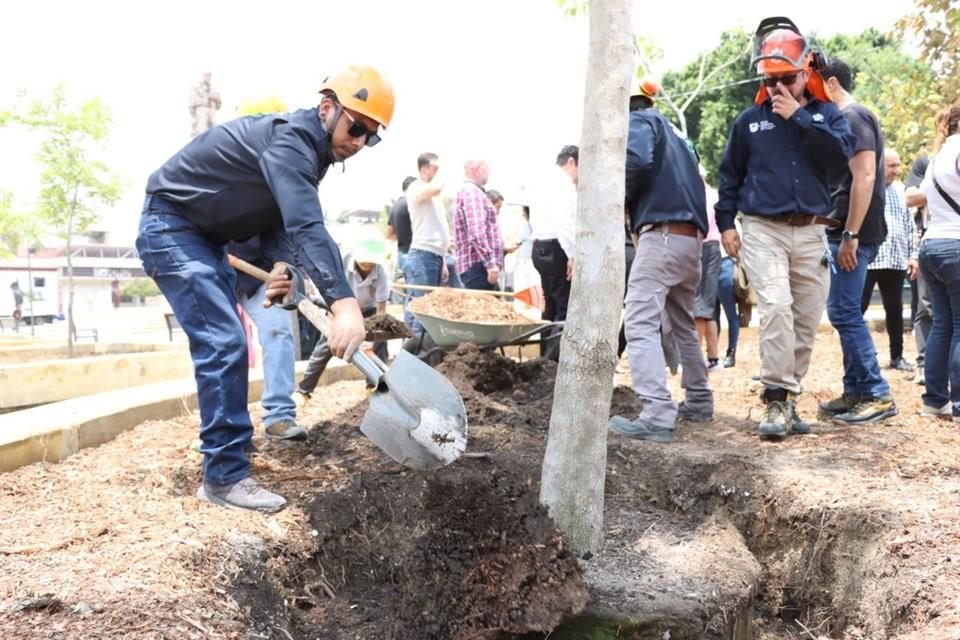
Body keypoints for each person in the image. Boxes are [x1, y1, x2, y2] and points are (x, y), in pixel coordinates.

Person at [136, 65, 395, 513]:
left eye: (370, 137)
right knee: (224, 342)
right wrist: (345, 303)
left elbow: (279, 222)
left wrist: (282, 266)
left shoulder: (309, 153)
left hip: (206, 239)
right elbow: (306, 225)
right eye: (356, 128)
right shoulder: (291, 142)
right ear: (328, 108)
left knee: (229, 342)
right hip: (172, 227)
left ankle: (229, 455)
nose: (359, 142)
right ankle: (223, 478)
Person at [716, 17, 855, 438]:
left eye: (787, 78)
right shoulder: (748, 122)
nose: (778, 87)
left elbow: (841, 158)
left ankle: (789, 400)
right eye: (771, 79)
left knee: (806, 320)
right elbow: (729, 175)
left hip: (812, 231)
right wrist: (726, 223)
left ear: (807, 71)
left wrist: (800, 118)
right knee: (776, 306)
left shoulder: (827, 115)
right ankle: (774, 400)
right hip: (763, 229)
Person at [608, 75, 713, 443]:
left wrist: (616, 200)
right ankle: (699, 400)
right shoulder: (677, 136)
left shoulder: (639, 122)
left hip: (663, 236)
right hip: (690, 241)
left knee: (639, 322)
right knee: (682, 324)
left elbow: (636, 160)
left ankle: (656, 414)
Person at [816, 58, 897, 425]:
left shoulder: (853, 116)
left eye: (814, 84)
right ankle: (856, 390)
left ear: (831, 83)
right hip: (843, 230)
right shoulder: (844, 119)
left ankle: (877, 394)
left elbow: (865, 177)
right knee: (844, 311)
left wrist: (850, 233)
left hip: (853, 233)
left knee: (844, 312)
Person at [295, 233, 391, 402]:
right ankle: (303, 390)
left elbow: (381, 312)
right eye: (364, 261)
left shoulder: (380, 273)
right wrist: (335, 320)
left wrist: (372, 341)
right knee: (326, 345)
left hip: (368, 312)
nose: (367, 265)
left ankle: (374, 385)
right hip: (340, 308)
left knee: (380, 341)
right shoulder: (343, 263)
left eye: (371, 262)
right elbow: (330, 292)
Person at [230, 232, 306, 442]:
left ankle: (279, 415)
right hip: (210, 269)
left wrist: (282, 263)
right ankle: (225, 428)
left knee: (278, 330)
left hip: (258, 270)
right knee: (224, 343)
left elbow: (279, 228)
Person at [916, 101, 960, 423]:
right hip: (956, 245)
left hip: (931, 245)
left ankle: (934, 400)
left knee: (942, 326)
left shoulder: (937, 156)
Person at [859, 149, 918, 372]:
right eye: (892, 166)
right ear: (879, 164)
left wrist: (913, 256)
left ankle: (897, 356)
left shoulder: (900, 190)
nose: (897, 170)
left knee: (894, 309)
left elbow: (909, 225)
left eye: (898, 165)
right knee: (859, 307)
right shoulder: (867, 187)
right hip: (869, 258)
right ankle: (862, 356)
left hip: (895, 258)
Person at [531, 145, 578, 361]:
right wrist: (572, 254)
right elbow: (563, 222)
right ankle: (552, 363)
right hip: (556, 248)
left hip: (541, 247)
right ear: (572, 161)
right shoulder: (563, 183)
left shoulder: (545, 181)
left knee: (550, 306)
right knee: (564, 307)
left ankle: (544, 360)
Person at [402, 152, 448, 340]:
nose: (437, 172)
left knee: (428, 310)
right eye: (434, 168)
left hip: (434, 255)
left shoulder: (434, 196)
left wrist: (443, 259)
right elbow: (430, 191)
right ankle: (414, 352)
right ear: (423, 168)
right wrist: (441, 183)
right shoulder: (416, 187)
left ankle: (421, 350)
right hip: (422, 255)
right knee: (422, 310)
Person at [452, 159, 503, 291]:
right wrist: (490, 264)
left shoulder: (470, 191)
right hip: (478, 267)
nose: (489, 172)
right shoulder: (472, 192)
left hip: (478, 266)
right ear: (475, 170)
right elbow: (476, 232)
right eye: (486, 168)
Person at [696, 174, 723, 373]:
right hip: (714, 247)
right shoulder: (714, 195)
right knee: (709, 307)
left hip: (702, 247)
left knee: (698, 306)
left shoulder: (698, 195)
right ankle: (713, 358)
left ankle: (694, 359)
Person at [385, 176, 416, 278]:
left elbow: (389, 234)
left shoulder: (394, 206)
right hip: (414, 254)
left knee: (402, 284)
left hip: (401, 254)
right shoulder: (412, 204)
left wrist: (402, 235)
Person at [188, 71, 222, 138]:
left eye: (210, 76)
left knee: (214, 128)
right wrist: (207, 101)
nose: (208, 77)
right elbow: (192, 101)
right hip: (201, 110)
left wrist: (216, 101)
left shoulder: (213, 88)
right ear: (203, 76)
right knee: (202, 130)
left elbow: (218, 101)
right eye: (207, 75)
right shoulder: (196, 87)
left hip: (212, 110)